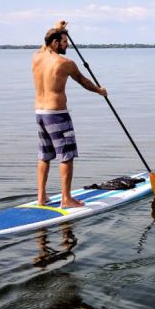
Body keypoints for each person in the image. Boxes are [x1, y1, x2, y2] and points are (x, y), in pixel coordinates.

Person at [32, 20, 107, 208]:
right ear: (55, 43)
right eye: (64, 41)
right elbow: (83, 80)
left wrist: (58, 28)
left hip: (40, 114)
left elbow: (45, 43)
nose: (67, 45)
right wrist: (99, 91)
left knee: (45, 156)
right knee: (66, 156)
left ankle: (41, 197)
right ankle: (66, 198)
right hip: (57, 115)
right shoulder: (65, 63)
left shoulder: (37, 57)